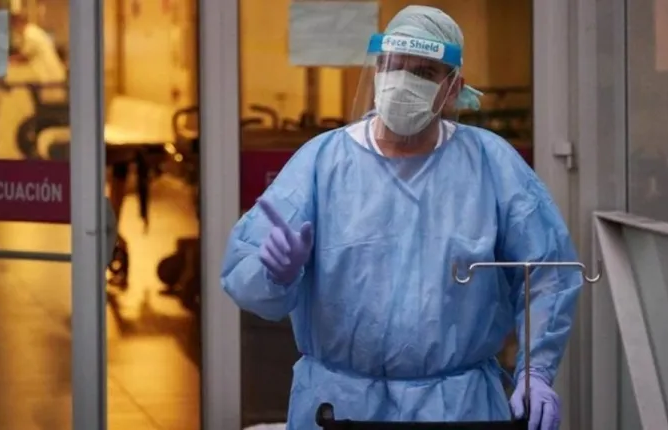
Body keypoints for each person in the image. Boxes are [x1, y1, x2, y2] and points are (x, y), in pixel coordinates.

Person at [222, 5, 581, 430]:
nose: (404, 80)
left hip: (456, 407)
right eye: (395, 65)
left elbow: (548, 273)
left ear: (453, 88)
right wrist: (275, 275)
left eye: (425, 72)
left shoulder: (490, 164)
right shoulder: (322, 163)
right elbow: (245, 275)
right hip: (340, 407)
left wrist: (535, 370)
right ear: (378, 71)